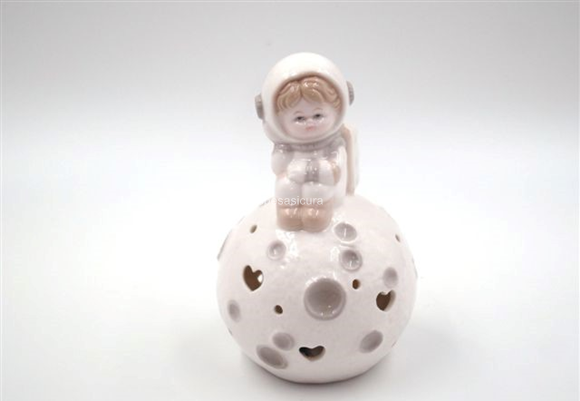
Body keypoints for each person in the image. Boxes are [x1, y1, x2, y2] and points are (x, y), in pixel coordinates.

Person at [255, 53, 358, 232]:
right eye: (299, 118)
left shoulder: (334, 144)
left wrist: (309, 171)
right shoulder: (285, 146)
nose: (310, 123)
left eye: (318, 115)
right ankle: (288, 211)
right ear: (278, 120)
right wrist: (282, 150)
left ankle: (317, 212)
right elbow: (278, 167)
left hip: (322, 186)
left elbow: (336, 169)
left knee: (315, 189)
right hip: (292, 181)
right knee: (284, 185)